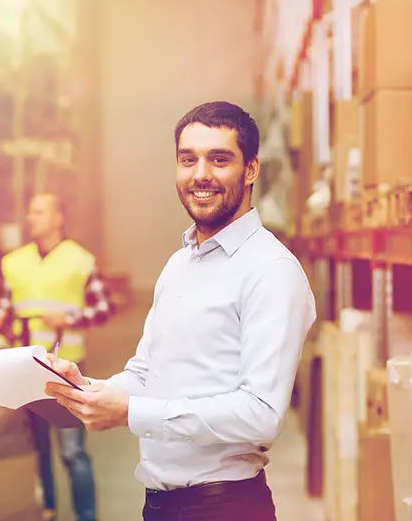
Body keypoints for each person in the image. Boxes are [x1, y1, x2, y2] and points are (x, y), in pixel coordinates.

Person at [43, 101, 317, 521]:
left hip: (225, 507)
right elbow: (145, 374)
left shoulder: (272, 270)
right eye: (188, 160)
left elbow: (261, 414)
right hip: (160, 505)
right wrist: (88, 389)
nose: (200, 175)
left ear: (251, 170)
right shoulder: (179, 264)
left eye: (219, 159)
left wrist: (129, 412)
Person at [0, 193, 111, 521]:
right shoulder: (14, 262)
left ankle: (87, 516)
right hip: (25, 369)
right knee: (38, 451)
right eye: (29, 212)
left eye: (40, 212)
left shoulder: (80, 260)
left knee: (72, 452)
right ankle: (48, 512)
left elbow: (103, 308)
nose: (32, 218)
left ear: (59, 218)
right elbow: (7, 303)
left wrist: (69, 320)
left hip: (65, 368)